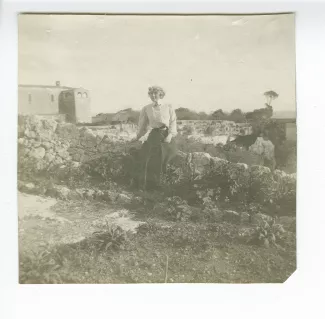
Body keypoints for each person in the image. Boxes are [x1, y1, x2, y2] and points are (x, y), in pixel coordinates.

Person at [131, 86, 178, 190]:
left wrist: (170, 135)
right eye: (151, 94)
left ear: (160, 94)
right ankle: (148, 187)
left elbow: (173, 122)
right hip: (154, 135)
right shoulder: (146, 108)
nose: (153, 96)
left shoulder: (168, 107)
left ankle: (163, 185)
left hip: (166, 135)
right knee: (147, 158)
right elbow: (142, 125)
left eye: (155, 93)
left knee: (167, 155)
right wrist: (138, 137)